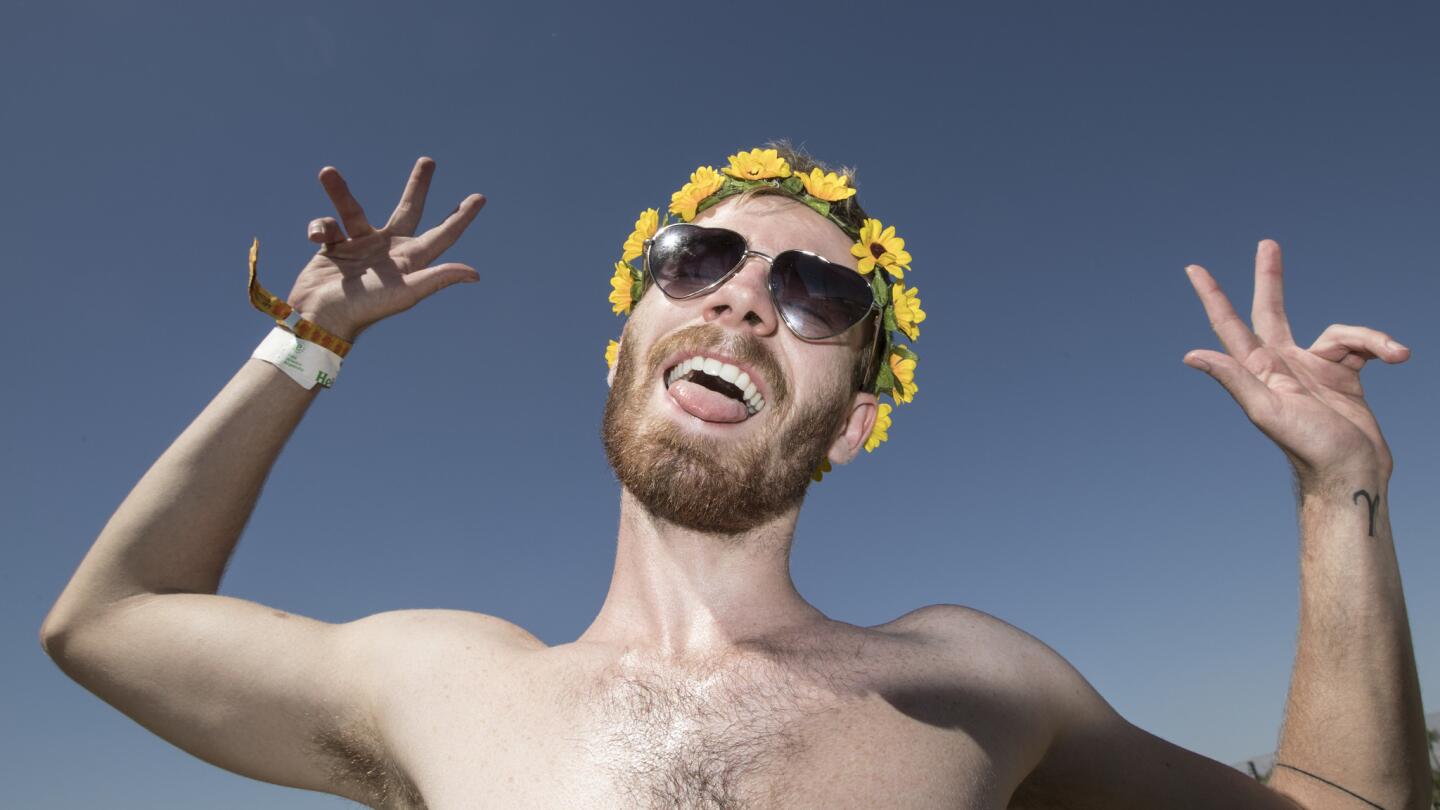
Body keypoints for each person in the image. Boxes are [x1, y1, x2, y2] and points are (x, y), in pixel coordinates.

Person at [41, 146, 1429, 809]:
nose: (745, 301)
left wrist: (1339, 493)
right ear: (624, 347)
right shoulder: (440, 678)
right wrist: (304, 342)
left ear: (851, 429)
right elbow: (103, 622)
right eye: (698, 264)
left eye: (815, 292)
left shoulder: (975, 682)